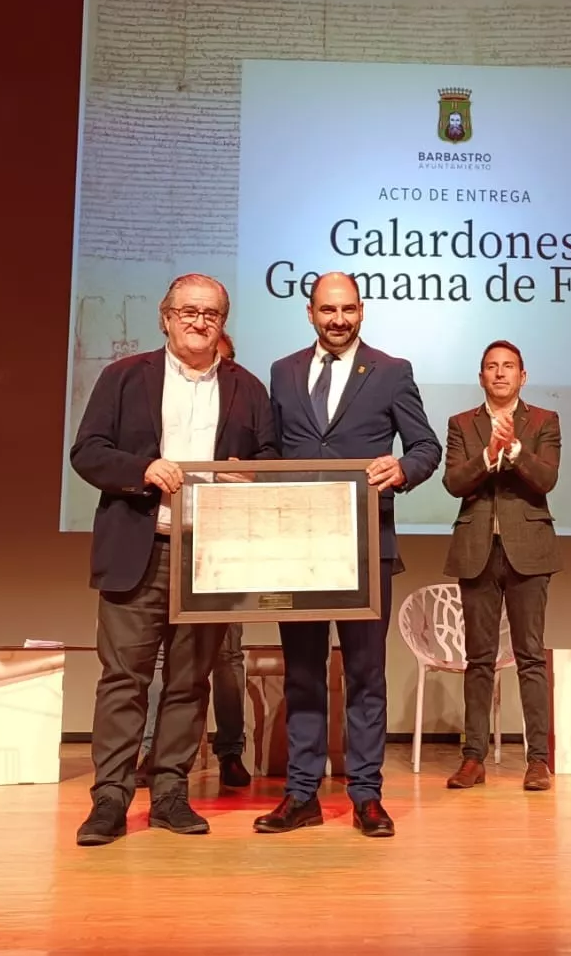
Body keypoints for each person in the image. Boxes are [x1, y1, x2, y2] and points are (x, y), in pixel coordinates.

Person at [69, 277, 276, 845]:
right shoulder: (124, 376)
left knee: (189, 683)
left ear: (223, 323)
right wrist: (142, 470)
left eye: (211, 314)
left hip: (210, 556)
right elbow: (87, 452)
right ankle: (109, 800)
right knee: (123, 681)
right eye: (188, 311)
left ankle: (169, 795)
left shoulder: (248, 389)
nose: (199, 321)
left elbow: (271, 458)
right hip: (140, 549)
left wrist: (247, 475)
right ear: (165, 318)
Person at [255, 272, 441, 838]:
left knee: (365, 674)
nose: (338, 319)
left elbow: (426, 447)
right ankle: (302, 794)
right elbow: (270, 448)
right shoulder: (282, 372)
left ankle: (366, 795)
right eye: (327, 309)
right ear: (310, 313)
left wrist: (403, 469)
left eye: (349, 309)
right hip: (296, 550)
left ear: (363, 312)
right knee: (304, 674)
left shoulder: (391, 371)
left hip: (366, 549)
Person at [439, 340, 561, 791]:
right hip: (477, 550)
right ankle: (474, 758)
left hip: (529, 548)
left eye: (509, 366)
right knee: (479, 659)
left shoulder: (545, 421)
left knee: (531, 656)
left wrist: (514, 451)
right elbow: (453, 481)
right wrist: (489, 455)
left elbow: (547, 478)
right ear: (482, 376)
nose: (500, 373)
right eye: (492, 366)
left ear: (522, 376)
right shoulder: (461, 424)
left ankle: (537, 760)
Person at [136, 331, 252, 791]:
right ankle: (153, 752)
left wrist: (246, 473)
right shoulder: (160, 393)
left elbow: (266, 466)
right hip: (161, 540)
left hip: (221, 550)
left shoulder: (244, 402)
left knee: (226, 659)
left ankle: (230, 752)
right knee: (160, 659)